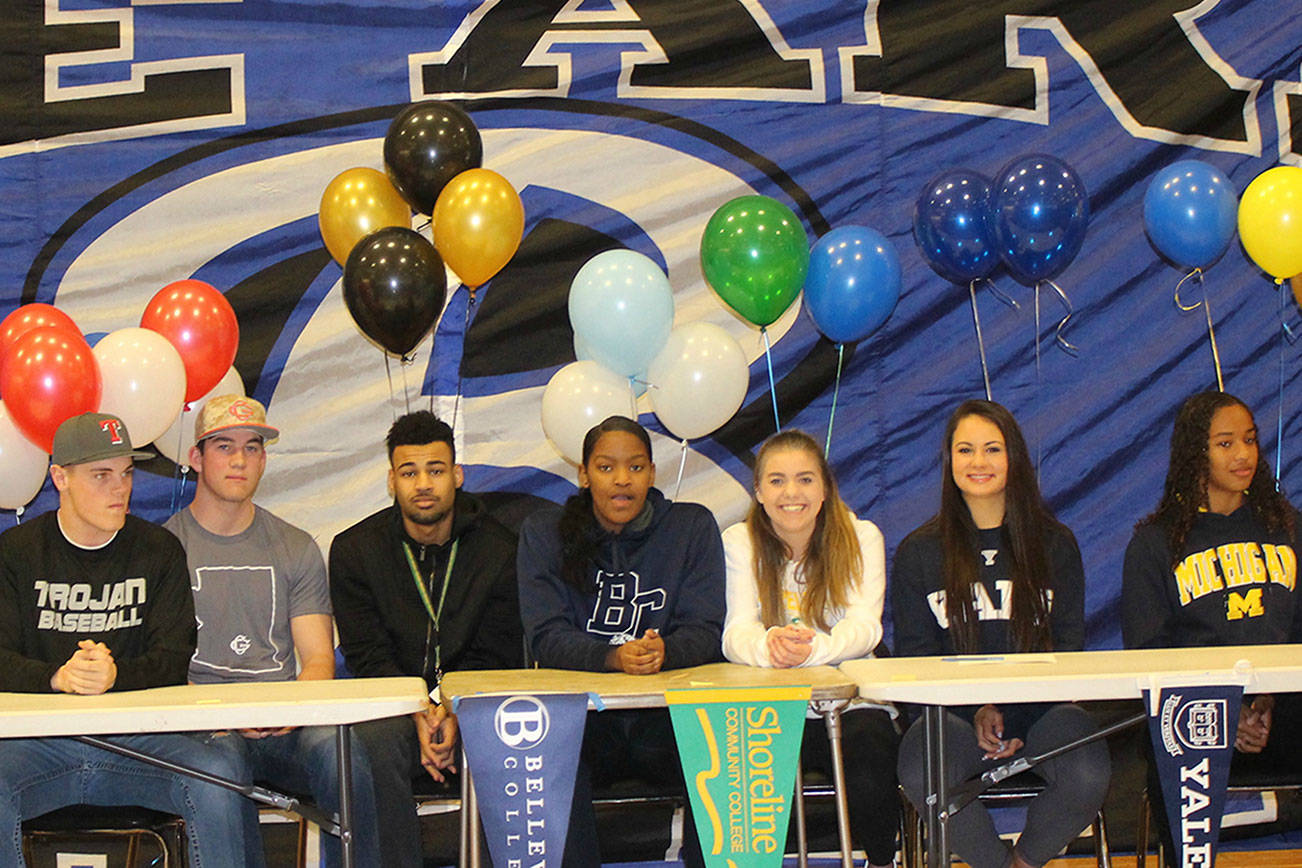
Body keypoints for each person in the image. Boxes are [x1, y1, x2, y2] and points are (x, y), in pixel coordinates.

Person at [0, 412, 253, 867]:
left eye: (127, 473)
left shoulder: (158, 550)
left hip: (140, 742)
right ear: (61, 478)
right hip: (36, 746)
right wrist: (56, 677)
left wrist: (116, 675)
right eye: (101, 476)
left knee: (220, 770)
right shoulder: (16, 552)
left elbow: (175, 656)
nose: (120, 489)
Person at [893, 399, 1110, 868]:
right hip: (952, 718)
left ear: (1014, 457)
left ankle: (1024, 862)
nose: (978, 462)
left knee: (1088, 770)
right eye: (965, 450)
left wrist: (1015, 715)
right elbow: (914, 662)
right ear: (949, 461)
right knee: (920, 767)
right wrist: (975, 712)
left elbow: (1068, 649)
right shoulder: (918, 553)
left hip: (1042, 712)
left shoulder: (1056, 545)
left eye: (992, 448)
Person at [164, 394, 379, 867]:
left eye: (253, 447)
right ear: (196, 457)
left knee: (342, 754)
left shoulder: (296, 546)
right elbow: (162, 669)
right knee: (219, 768)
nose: (240, 459)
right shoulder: (164, 550)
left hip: (285, 721)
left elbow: (319, 659)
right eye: (224, 446)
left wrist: (294, 709)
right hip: (204, 726)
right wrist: (219, 715)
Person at [517, 415, 725, 868]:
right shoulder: (544, 533)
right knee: (552, 763)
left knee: (720, 753)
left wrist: (666, 651)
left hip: (666, 721)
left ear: (652, 473)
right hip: (587, 724)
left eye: (635, 467)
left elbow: (705, 629)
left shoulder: (691, 527)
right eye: (606, 467)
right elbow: (545, 637)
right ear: (584, 474)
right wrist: (611, 656)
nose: (621, 480)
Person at [330, 410, 523, 868]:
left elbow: (498, 652)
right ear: (391, 480)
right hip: (393, 707)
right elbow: (366, 654)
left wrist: (454, 709)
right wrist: (417, 711)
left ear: (457, 475)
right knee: (373, 745)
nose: (423, 484)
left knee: (508, 731)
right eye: (409, 472)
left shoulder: (500, 548)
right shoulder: (355, 550)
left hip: (473, 702)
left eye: (435, 471)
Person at [1122, 391, 1302, 862]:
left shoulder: (1286, 527)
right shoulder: (1156, 544)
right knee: (1175, 738)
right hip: (1196, 715)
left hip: (1281, 711)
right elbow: (1149, 653)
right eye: (1225, 443)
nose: (1243, 454)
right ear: (1194, 453)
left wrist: (1265, 700)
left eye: (1250, 439)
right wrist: (1230, 710)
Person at [722, 429, 899, 868]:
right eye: (777, 480)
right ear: (759, 491)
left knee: (872, 758)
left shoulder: (862, 537)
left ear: (824, 488)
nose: (791, 493)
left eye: (804, 479)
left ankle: (882, 860)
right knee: (736, 777)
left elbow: (866, 628)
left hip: (853, 704)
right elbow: (733, 633)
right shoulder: (738, 542)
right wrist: (768, 646)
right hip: (771, 708)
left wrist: (814, 648)